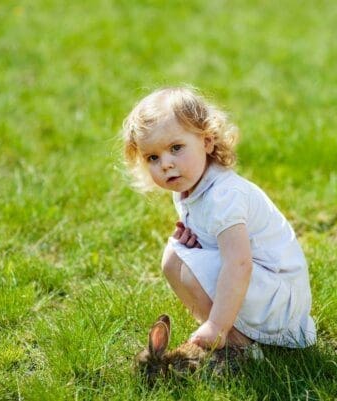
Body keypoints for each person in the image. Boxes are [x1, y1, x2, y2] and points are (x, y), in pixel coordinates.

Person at [121, 87, 316, 350]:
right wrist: (200, 246)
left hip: (281, 302)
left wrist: (217, 325)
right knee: (173, 258)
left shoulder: (224, 196)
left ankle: (232, 341)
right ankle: (227, 335)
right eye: (153, 157)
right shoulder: (188, 186)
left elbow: (239, 264)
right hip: (261, 288)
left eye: (176, 148)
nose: (165, 163)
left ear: (207, 141)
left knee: (190, 270)